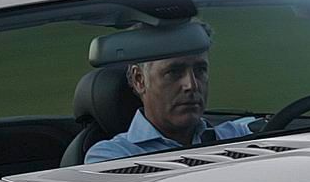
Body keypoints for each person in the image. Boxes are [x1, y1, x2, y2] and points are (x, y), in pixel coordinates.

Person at [84, 49, 261, 161]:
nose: (191, 85)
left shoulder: (238, 135)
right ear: (139, 79)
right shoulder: (113, 156)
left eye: (200, 70)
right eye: (173, 72)